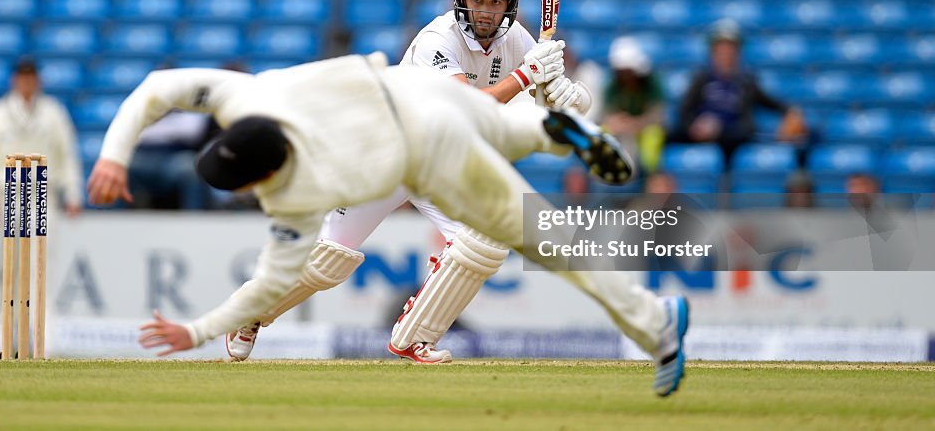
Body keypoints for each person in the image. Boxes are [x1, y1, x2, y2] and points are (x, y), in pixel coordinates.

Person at [86, 54, 689, 397]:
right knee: (530, 193)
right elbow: (157, 89)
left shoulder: (298, 191)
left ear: (259, 174)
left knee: (528, 228)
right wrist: (114, 155)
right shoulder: (251, 92)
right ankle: (552, 134)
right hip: (424, 100)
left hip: (418, 154)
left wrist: (198, 330)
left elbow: (274, 281)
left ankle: (550, 131)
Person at [225, 0, 601, 366]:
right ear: (462, 0)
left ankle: (413, 339)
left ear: (509, 5)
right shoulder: (435, 40)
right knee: (327, 259)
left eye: (494, 3)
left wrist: (569, 97)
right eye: (478, 0)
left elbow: (555, 99)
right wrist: (528, 77)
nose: (486, 11)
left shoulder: (518, 39)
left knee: (484, 243)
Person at [670, 19, 806, 165]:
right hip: (700, 136)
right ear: (712, 52)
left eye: (730, 48)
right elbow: (684, 112)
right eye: (721, 48)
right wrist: (696, 127)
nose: (726, 54)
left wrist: (791, 112)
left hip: (732, 139)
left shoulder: (746, 83)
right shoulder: (701, 79)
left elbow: (774, 105)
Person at [0, 57, 84, 223]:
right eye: (22, 77)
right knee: (8, 248)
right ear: (14, 80)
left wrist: (73, 193)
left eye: (31, 77)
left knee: (42, 247)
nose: (27, 82)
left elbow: (67, 153)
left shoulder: (54, 112)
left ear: (38, 80)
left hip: (42, 194)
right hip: (8, 193)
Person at [600, 37, 666, 174]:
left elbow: (658, 115)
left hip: (645, 128)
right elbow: (607, 113)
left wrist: (636, 124)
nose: (625, 75)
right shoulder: (613, 85)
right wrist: (616, 122)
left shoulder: (651, 83)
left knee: (653, 135)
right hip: (622, 129)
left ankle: (649, 174)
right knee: (603, 132)